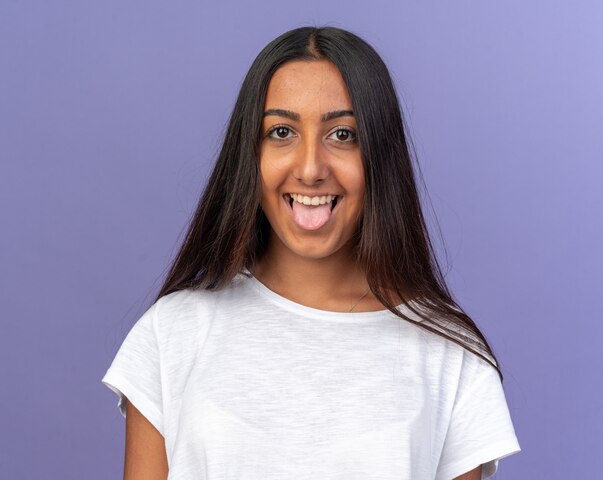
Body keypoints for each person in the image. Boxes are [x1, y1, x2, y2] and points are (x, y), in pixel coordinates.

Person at [102, 26, 521, 479]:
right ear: (250, 154)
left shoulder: (449, 354)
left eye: (342, 134)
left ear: (380, 155)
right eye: (281, 131)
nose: (310, 169)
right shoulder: (173, 334)